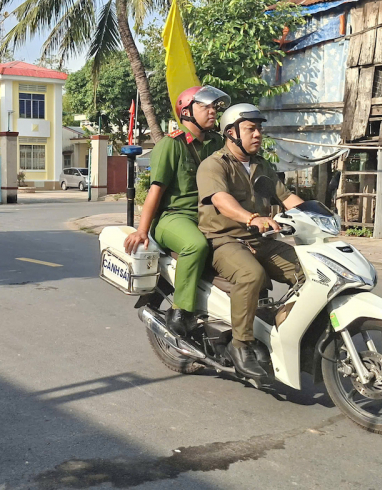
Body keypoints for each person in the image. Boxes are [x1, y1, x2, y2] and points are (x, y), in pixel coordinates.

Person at [197, 103, 305, 379]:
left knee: (308, 272)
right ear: (231, 133)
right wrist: (251, 217)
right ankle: (241, 345)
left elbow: (287, 198)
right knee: (251, 275)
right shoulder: (213, 165)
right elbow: (221, 200)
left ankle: (285, 328)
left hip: (261, 239)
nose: (258, 134)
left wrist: (318, 215)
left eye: (259, 129)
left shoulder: (262, 165)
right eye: (251, 129)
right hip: (224, 240)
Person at [123, 86, 230, 337]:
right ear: (186, 111)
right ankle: (181, 312)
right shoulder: (171, 145)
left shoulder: (217, 143)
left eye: (215, 107)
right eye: (205, 106)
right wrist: (142, 230)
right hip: (174, 217)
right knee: (196, 245)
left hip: (209, 216)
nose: (212, 111)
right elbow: (155, 191)